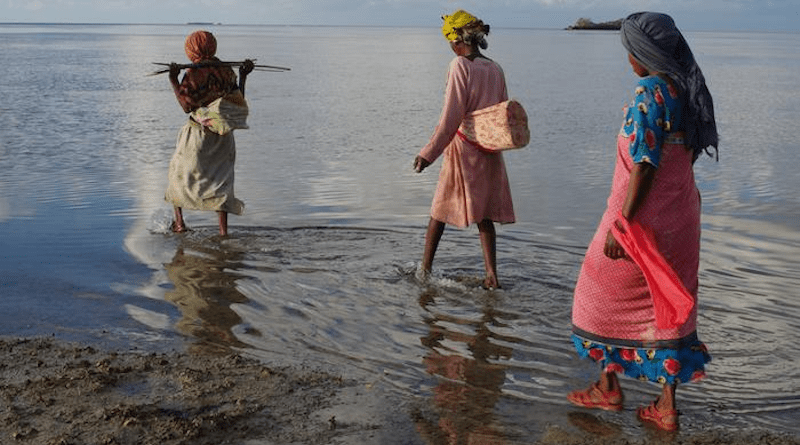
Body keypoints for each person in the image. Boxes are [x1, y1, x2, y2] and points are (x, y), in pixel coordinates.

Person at [568, 12, 717, 431]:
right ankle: (664, 406)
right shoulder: (687, 91)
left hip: (643, 220)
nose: (628, 58)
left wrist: (622, 224)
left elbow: (645, 164)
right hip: (681, 217)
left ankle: (608, 387)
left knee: (595, 296)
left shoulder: (649, 90)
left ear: (644, 52)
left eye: (629, 50)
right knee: (667, 302)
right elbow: (680, 158)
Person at [413, 10, 515, 290]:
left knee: (439, 211)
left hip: (463, 149)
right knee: (484, 215)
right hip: (490, 148)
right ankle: (492, 275)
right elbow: (502, 111)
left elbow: (451, 116)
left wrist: (428, 153)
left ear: (456, 40)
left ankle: (424, 270)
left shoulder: (460, 66)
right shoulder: (494, 68)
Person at [165, 30, 254, 236]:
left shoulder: (194, 73)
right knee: (221, 182)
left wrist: (173, 79)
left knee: (178, 176)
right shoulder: (226, 71)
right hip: (223, 137)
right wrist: (243, 76)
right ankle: (223, 232)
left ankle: (179, 223)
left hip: (198, 135)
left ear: (192, 49)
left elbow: (186, 106)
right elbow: (237, 99)